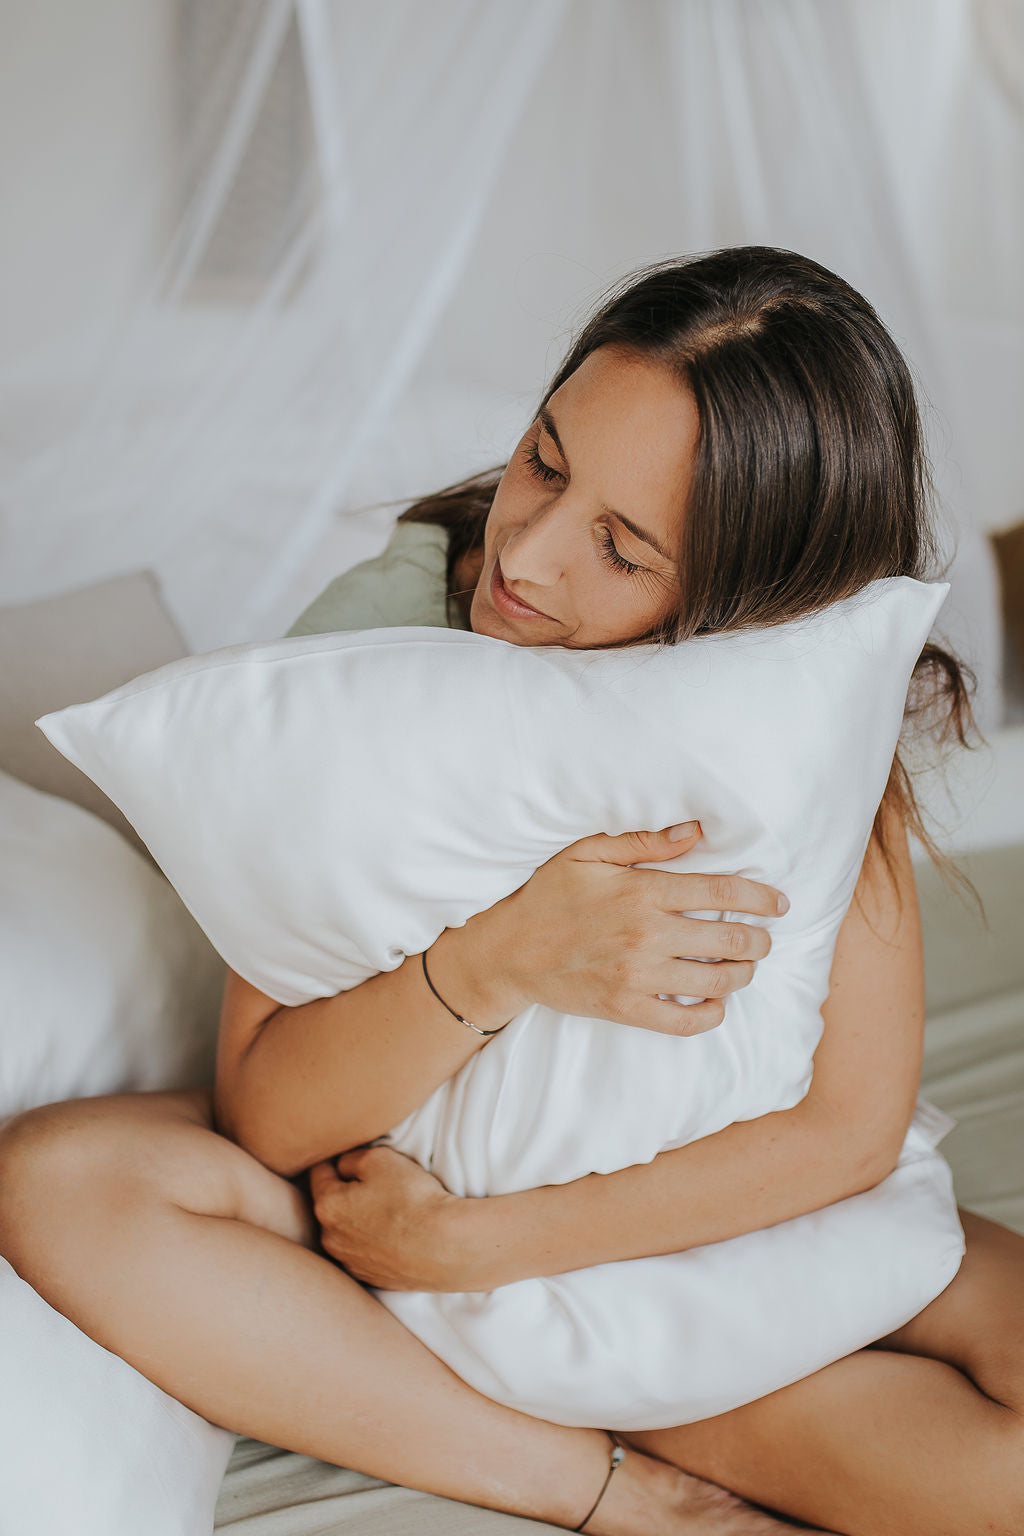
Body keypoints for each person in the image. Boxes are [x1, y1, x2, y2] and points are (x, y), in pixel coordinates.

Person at [1, 247, 1022, 1536]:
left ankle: (605, 1377)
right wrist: (500, 961)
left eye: (621, 546)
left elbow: (845, 1130)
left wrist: (495, 1246)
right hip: (398, 1214)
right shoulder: (379, 654)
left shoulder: (789, 713)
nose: (525, 558)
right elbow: (263, 1113)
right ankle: (598, 1480)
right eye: (546, 459)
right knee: (68, 1179)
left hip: (689, 1200)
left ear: (743, 601)